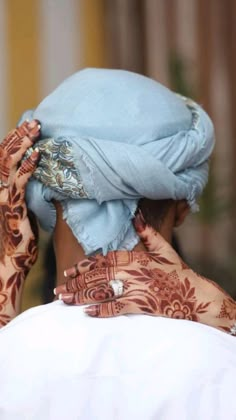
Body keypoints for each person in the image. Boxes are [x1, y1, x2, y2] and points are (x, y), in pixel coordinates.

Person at [0, 69, 235, 420]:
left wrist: (10, 267)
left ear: (37, 198)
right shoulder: (222, 362)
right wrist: (228, 315)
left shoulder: (11, 357)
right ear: (183, 206)